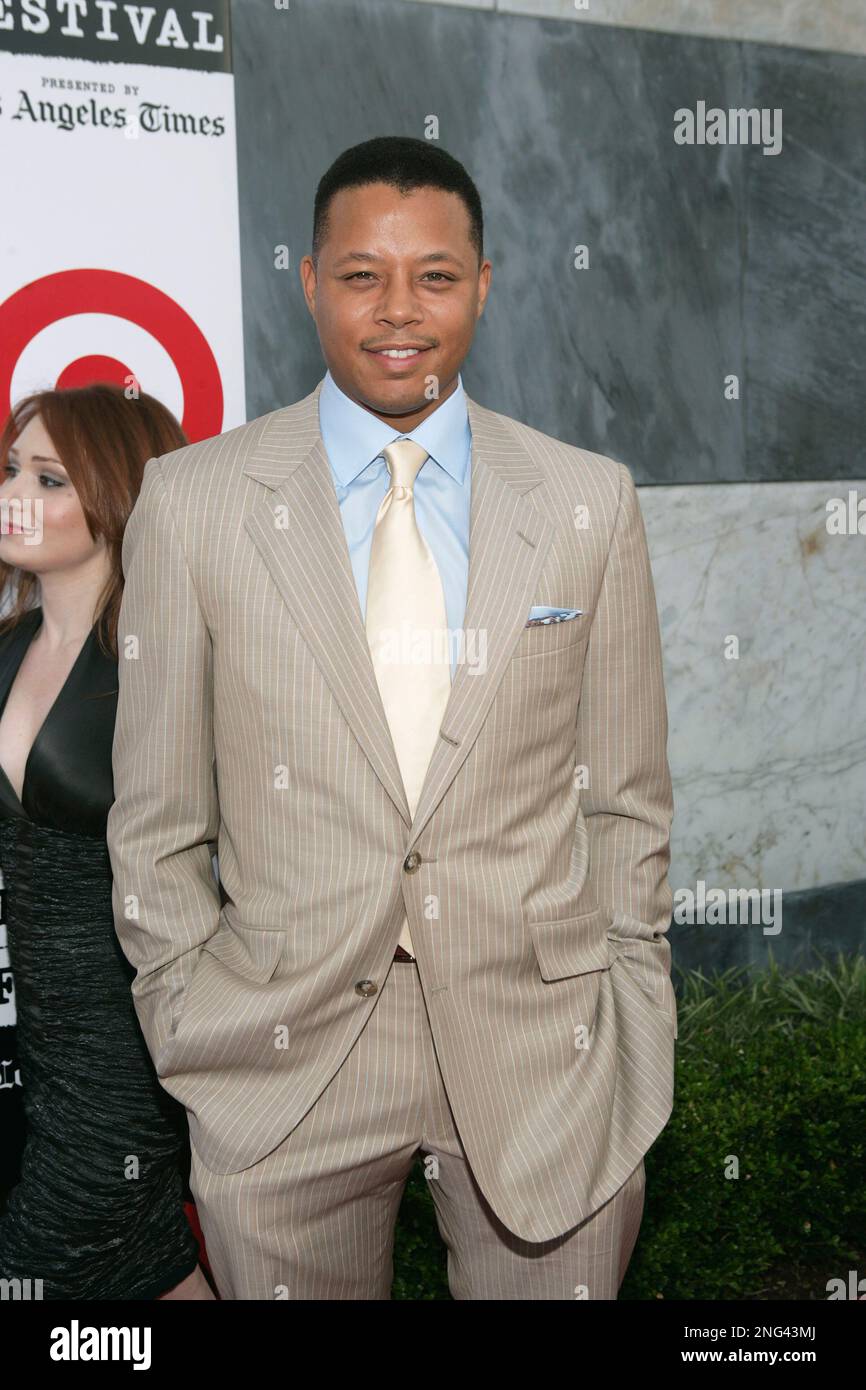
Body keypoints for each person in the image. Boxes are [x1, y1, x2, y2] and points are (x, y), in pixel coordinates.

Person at [107, 135, 677, 1300]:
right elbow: (154, 813)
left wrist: (631, 1000)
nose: (397, 309)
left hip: (545, 1043)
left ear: (483, 285)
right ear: (310, 281)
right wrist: (186, 1009)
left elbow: (625, 794)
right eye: (361, 274)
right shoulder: (194, 500)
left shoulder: (583, 499)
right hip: (280, 1052)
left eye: (434, 274)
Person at [0, 383, 213, 1299]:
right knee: (137, 1272)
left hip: (135, 1054)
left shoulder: (165, 665)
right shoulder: (6, 648)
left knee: (64, 1261)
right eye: (10, 469)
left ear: (118, 492)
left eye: (48, 478)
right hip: (43, 1060)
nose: (15, 494)